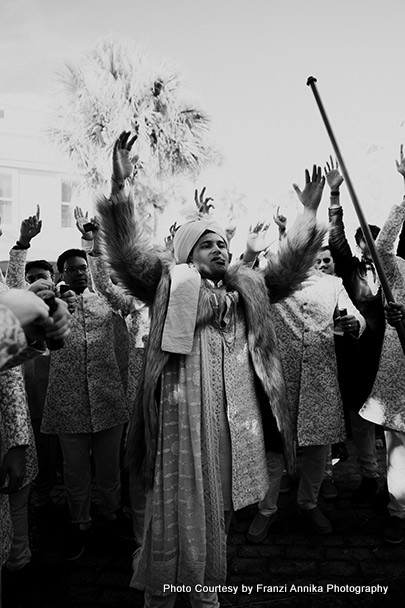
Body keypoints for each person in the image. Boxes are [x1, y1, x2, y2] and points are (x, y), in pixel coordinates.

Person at [97, 131, 326, 608]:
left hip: (229, 428)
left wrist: (306, 218)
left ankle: (205, 591)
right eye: (207, 245)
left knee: (215, 512)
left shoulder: (249, 291)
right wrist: (120, 189)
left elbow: (285, 272)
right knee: (175, 509)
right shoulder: (168, 284)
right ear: (185, 253)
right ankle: (163, 594)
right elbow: (124, 254)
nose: (220, 250)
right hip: (180, 428)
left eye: (223, 244)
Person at [41, 247, 131, 560]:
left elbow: (128, 301)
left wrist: (95, 249)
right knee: (75, 472)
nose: (80, 272)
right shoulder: (51, 305)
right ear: (60, 273)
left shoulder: (108, 299)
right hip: (69, 404)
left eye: (84, 267)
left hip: (108, 400)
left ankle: (112, 516)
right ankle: (80, 524)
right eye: (73, 268)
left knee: (109, 471)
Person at [326, 157, 384, 507]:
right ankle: (369, 476)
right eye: (363, 240)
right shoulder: (350, 271)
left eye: (374, 240)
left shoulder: (396, 274)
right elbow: (335, 238)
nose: (369, 245)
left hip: (391, 355)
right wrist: (334, 194)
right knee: (360, 419)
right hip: (357, 356)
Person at [359, 152, 405, 543]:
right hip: (398, 372)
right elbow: (382, 246)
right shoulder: (398, 269)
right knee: (398, 446)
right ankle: (397, 509)